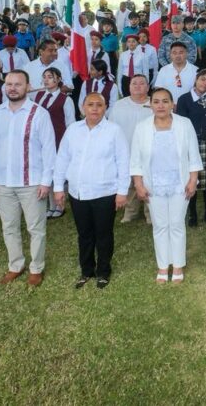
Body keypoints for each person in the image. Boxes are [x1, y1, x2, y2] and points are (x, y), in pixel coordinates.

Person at [0, 70, 57, 287]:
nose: (12, 88)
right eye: (9, 84)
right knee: (9, 227)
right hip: (3, 182)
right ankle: (16, 265)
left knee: (36, 228)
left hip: (32, 182)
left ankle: (36, 267)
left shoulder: (39, 114)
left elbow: (49, 150)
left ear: (27, 86)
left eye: (18, 84)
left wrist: (45, 181)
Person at [54, 93, 130, 289]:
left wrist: (122, 191)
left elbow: (123, 162)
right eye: (90, 105)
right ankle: (87, 270)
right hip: (78, 193)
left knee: (104, 234)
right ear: (83, 108)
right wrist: (58, 188)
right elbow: (62, 159)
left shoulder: (114, 131)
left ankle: (103, 271)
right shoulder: (73, 130)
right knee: (84, 234)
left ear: (105, 108)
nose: (94, 108)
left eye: (99, 105)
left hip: (105, 193)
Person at [130, 87, 201, 284]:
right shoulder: (142, 127)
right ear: (150, 104)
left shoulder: (184, 124)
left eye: (165, 101)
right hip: (153, 185)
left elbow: (193, 156)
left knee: (176, 224)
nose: (161, 105)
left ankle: (177, 265)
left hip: (180, 183)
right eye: (156, 101)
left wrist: (192, 180)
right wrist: (138, 184)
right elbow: (135, 159)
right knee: (160, 225)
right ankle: (163, 266)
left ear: (172, 104)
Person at [175, 70, 206, 226]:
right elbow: (180, 124)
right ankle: (192, 214)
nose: (204, 83)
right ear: (196, 79)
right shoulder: (184, 99)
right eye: (202, 79)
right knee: (192, 179)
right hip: (191, 143)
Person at [108, 73, 153, 224]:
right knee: (130, 183)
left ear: (147, 87)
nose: (138, 86)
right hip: (126, 150)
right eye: (134, 83)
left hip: (150, 151)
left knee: (149, 181)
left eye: (142, 83)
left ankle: (150, 212)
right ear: (129, 87)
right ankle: (130, 212)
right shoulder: (120, 105)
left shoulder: (154, 104)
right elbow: (112, 127)